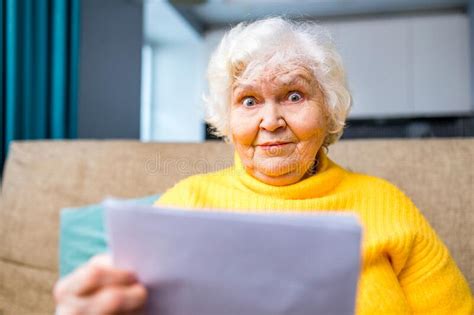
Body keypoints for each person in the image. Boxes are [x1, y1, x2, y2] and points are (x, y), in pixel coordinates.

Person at [54, 17, 473, 314]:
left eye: (293, 95)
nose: (270, 122)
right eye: (249, 101)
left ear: (328, 109)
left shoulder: (387, 204)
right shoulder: (185, 203)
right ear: (228, 119)